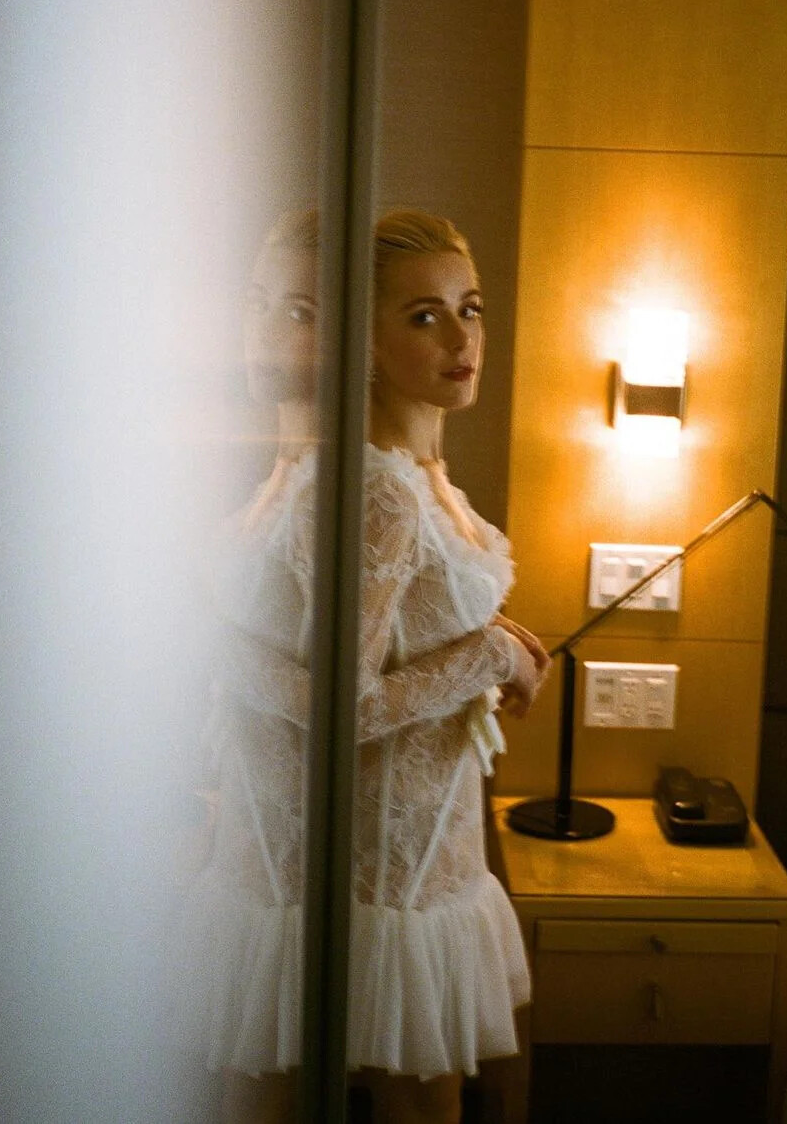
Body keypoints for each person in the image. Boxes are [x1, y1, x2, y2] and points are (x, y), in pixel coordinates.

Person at [184, 208, 549, 1124]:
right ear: (367, 340)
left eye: (470, 308)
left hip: (391, 855)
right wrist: (490, 652)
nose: (462, 338)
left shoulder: (407, 476)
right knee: (395, 1103)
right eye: (425, 316)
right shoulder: (376, 490)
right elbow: (343, 704)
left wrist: (481, 636)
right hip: (373, 872)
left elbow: (361, 636)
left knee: (279, 1094)